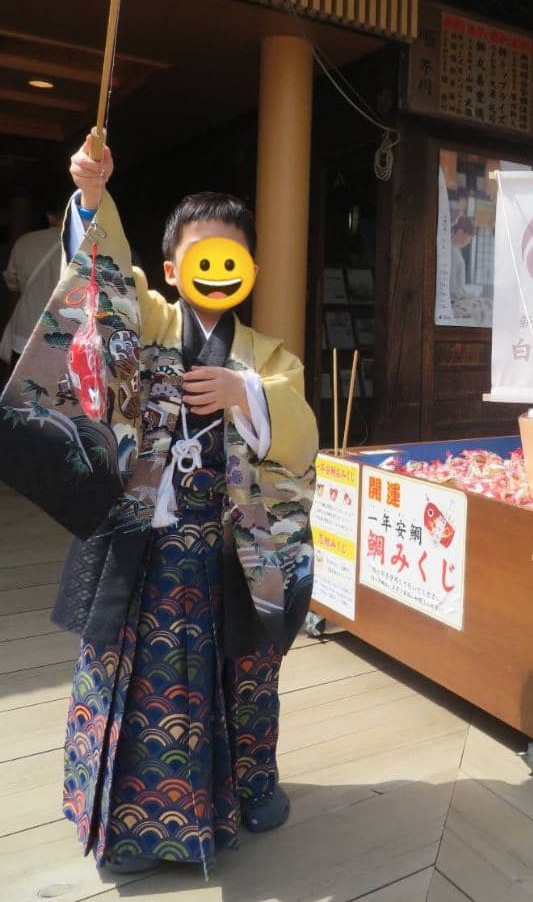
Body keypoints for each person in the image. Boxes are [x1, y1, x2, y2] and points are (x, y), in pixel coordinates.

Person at [3, 138, 318, 877]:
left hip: (231, 546)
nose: (216, 271)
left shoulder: (270, 358)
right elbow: (105, 282)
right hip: (147, 541)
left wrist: (248, 393)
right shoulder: (149, 319)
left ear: (249, 270)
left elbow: (300, 436)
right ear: (173, 270)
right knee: (138, 677)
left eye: (231, 258)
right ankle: (132, 828)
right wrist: (91, 199)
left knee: (244, 669)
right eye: (200, 258)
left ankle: (249, 790)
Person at [0, 201, 63, 369]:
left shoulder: (25, 242)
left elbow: (12, 284)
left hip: (26, 332)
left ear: (50, 216)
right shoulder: (85, 244)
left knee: (23, 383)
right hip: (66, 336)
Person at [449, 214, 476, 303]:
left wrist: (465, 293)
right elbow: (451, 286)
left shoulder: (455, 249)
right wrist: (463, 295)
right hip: (452, 300)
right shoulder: (451, 252)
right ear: (460, 232)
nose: (468, 242)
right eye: (468, 238)